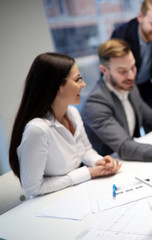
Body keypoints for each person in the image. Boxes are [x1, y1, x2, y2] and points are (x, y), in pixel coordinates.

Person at [8, 53, 121, 197]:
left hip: (76, 194)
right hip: (49, 204)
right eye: (77, 80)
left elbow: (85, 149)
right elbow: (33, 188)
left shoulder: (72, 113)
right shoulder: (37, 130)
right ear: (57, 86)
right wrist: (88, 173)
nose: (83, 84)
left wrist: (99, 162)